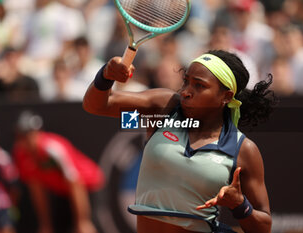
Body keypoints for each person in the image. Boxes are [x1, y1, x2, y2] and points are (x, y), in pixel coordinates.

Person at [83, 50, 275, 233]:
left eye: (199, 85)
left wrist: (239, 204)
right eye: (186, 82)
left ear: (226, 96)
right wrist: (106, 75)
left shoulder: (244, 149)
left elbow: (263, 227)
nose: (186, 92)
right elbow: (97, 105)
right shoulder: (164, 108)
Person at [12, 111, 105, 233]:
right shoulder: (20, 155)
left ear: (38, 132)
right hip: (62, 193)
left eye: (29, 135)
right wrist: (45, 225)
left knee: (85, 229)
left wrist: (83, 220)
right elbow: (37, 190)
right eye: (21, 136)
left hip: (88, 187)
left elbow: (75, 183)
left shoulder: (52, 149)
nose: (26, 140)